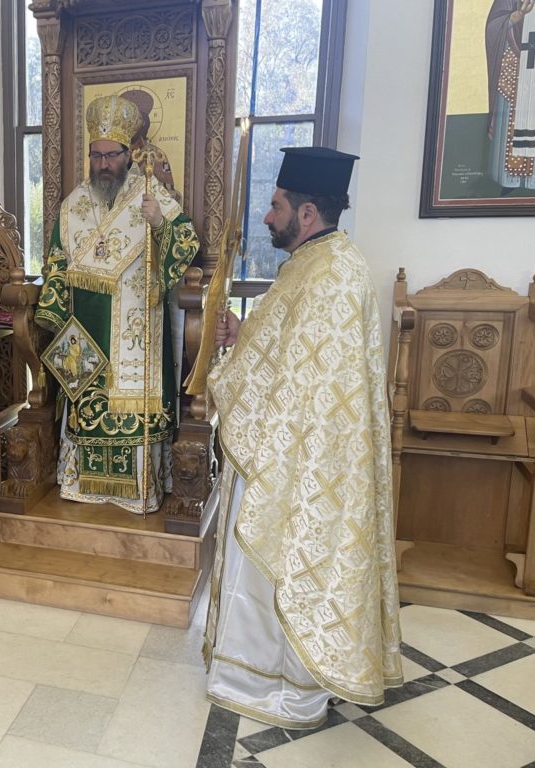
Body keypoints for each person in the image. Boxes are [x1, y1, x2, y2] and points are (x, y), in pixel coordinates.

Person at [202, 147, 402, 728]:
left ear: (307, 213)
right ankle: (247, 668)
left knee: (281, 562)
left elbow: (305, 381)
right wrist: (243, 334)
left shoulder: (334, 273)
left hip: (302, 459)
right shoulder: (313, 262)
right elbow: (287, 349)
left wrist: (234, 372)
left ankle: (278, 683)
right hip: (284, 445)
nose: (267, 217)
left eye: (275, 206)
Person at [36, 94, 199, 514]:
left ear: (130, 154)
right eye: (96, 155)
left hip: (137, 327)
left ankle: (139, 488)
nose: (103, 164)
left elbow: (187, 245)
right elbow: (56, 260)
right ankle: (84, 485)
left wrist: (160, 224)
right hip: (86, 329)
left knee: (133, 406)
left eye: (111, 155)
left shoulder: (150, 196)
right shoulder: (73, 206)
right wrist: (51, 316)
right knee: (87, 400)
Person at [486, 1, 535, 190]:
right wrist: (513, 17)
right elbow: (493, 25)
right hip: (515, 66)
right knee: (513, 114)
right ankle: (511, 179)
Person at [121, 89, 181, 203]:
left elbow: (169, 197)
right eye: (126, 119)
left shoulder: (155, 155)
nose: (130, 124)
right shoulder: (114, 154)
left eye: (135, 119)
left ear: (143, 122)